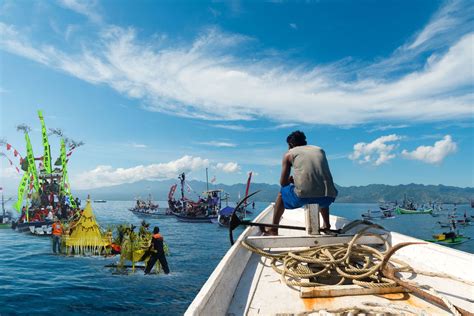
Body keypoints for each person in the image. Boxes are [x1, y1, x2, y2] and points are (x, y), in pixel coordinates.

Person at [264, 131, 338, 235]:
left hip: (303, 197)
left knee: (281, 193)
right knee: (321, 188)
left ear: (290, 145)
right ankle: (327, 225)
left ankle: (274, 229)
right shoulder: (320, 150)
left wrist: (290, 181)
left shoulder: (289, 154)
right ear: (305, 142)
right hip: (328, 197)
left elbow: (283, 183)